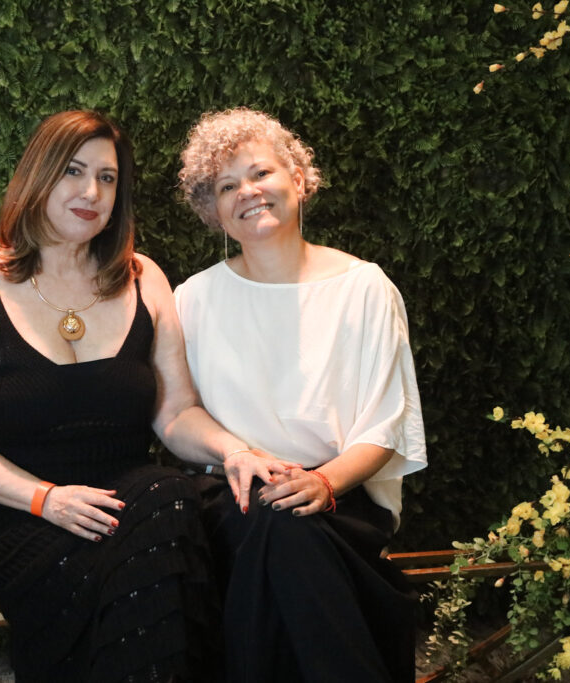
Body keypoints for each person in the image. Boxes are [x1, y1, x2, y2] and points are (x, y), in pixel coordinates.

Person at [0, 110, 244, 682]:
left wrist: (235, 451)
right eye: (73, 171)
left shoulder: (144, 278)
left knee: (171, 495)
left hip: (123, 503)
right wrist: (45, 498)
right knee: (153, 556)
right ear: (39, 176)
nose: (92, 192)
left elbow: (176, 413)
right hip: (14, 510)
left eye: (107, 177)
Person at [174, 108, 428, 682]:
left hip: (342, 495)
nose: (248, 192)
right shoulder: (192, 299)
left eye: (261, 173)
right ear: (212, 210)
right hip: (233, 492)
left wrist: (323, 482)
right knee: (275, 523)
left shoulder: (364, 288)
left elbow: (385, 426)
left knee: (287, 528)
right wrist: (242, 455)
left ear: (299, 179)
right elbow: (178, 416)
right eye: (226, 186)